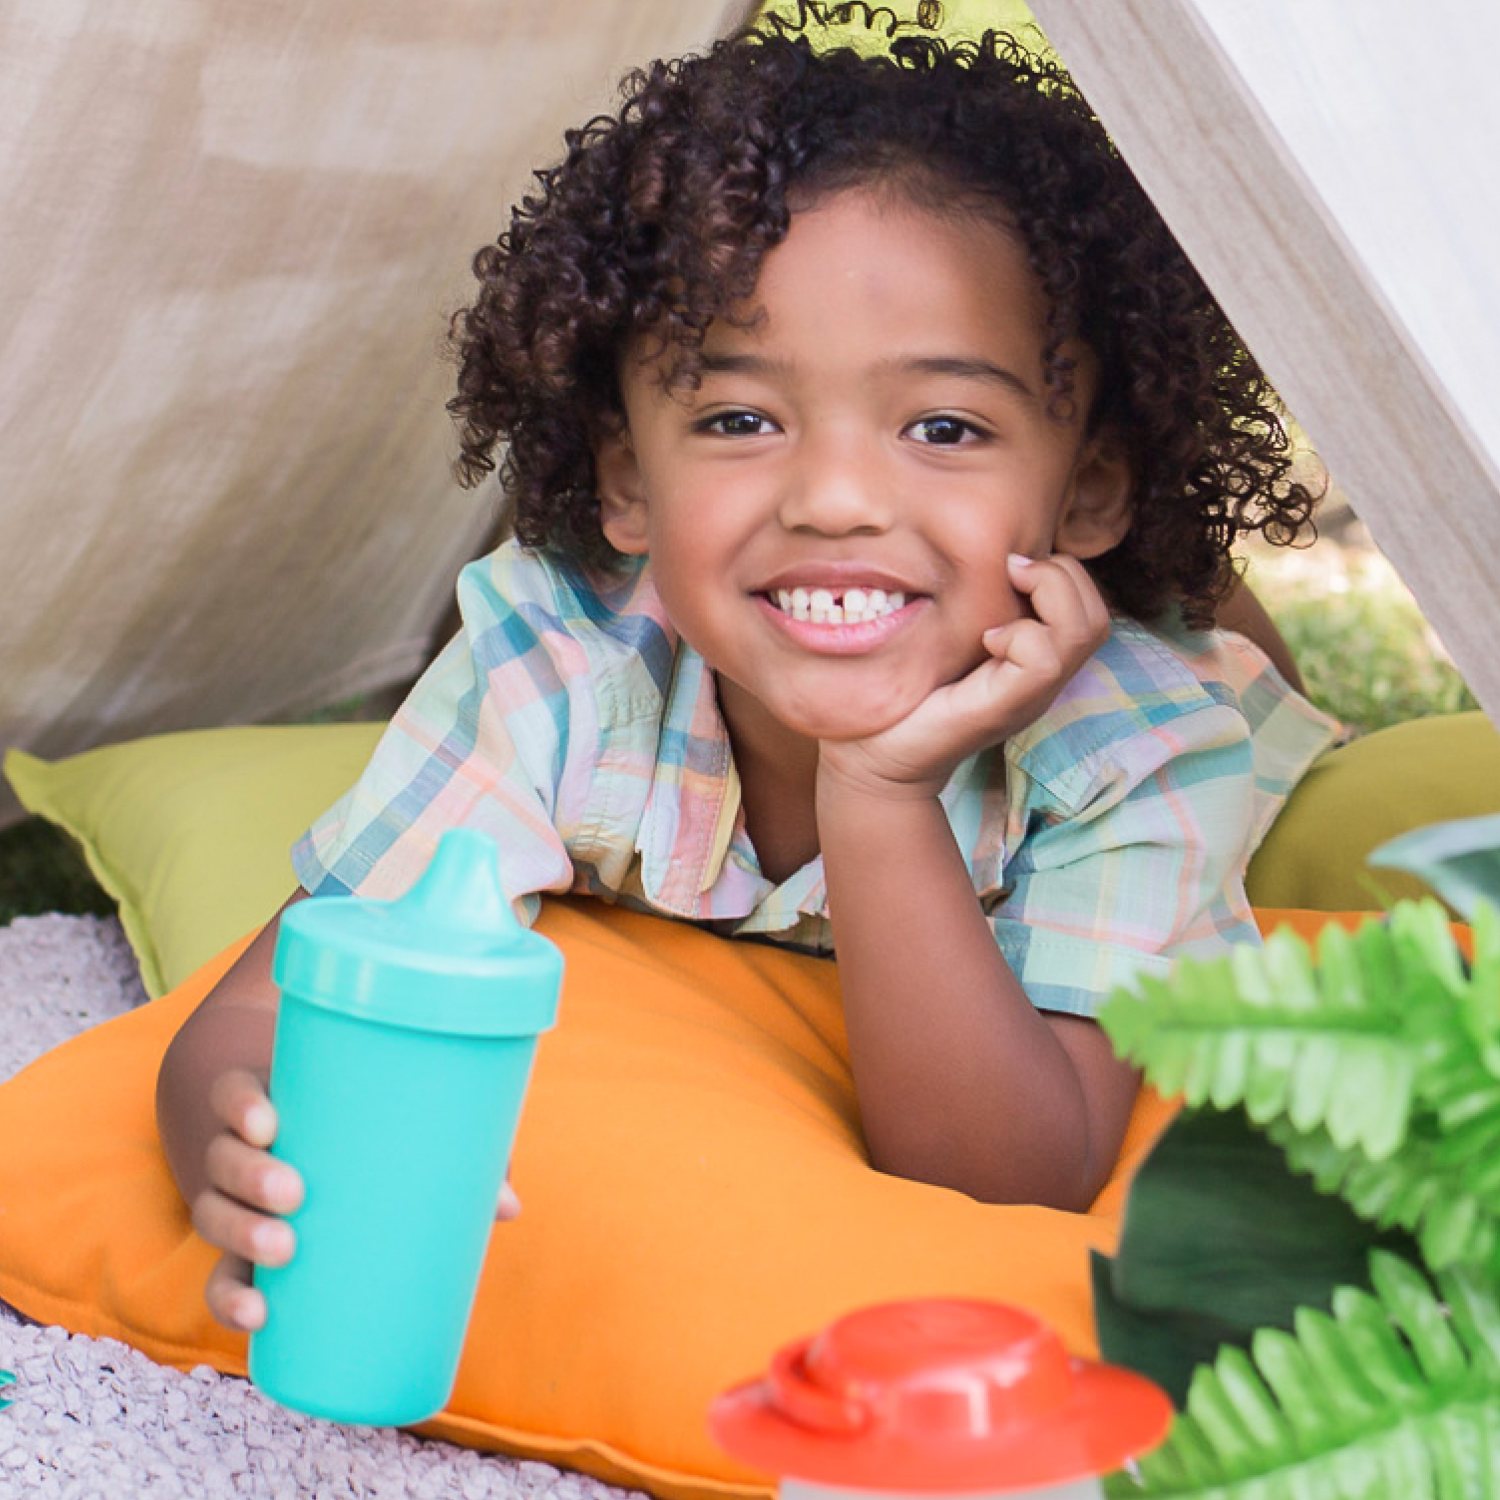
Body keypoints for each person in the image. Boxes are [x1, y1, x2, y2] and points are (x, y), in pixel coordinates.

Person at [156, 8, 1338, 1334]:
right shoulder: (561, 662)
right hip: (842, 587)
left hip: (1175, 683)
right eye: (739, 419)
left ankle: (1187, 586)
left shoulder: (1139, 749)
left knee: (1255, 700)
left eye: (943, 425)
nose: (834, 494)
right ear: (625, 482)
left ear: (1092, 486)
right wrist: (245, 1120)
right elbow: (265, 1001)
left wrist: (882, 797)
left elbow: (1013, 1174)